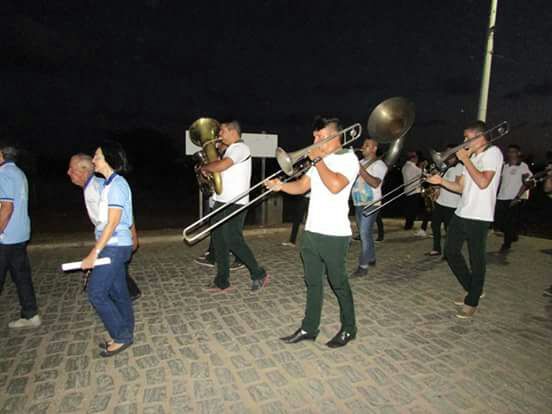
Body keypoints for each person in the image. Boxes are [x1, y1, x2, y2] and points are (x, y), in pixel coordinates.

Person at [266, 116, 359, 348]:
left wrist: (318, 161)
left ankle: (349, 328)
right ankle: (309, 327)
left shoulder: (349, 159)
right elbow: (302, 186)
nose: (314, 141)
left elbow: (335, 186)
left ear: (335, 136)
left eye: (320, 136)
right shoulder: (321, 161)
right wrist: (281, 186)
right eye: (314, 136)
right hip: (312, 231)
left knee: (338, 282)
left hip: (334, 234)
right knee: (312, 281)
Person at [427, 121, 503, 319]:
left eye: (467, 138)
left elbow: (483, 182)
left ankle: (472, 300)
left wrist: (465, 160)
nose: (464, 142)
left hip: (480, 215)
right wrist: (440, 181)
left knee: (476, 258)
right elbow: (460, 187)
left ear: (480, 137)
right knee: (450, 252)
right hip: (462, 211)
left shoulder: (493, 153)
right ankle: (473, 289)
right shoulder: (471, 157)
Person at [200, 121, 269, 292]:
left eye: (222, 131)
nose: (219, 134)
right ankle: (222, 281)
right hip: (221, 201)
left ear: (233, 132)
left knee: (233, 240)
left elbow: (223, 165)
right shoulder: (230, 149)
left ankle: (259, 273)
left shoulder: (240, 148)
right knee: (219, 241)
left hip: (235, 202)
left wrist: (206, 167)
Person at [81, 141, 135, 357]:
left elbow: (112, 223)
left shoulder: (117, 186)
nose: (93, 160)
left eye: (97, 156)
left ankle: (121, 336)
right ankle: (125, 332)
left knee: (96, 293)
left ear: (109, 160)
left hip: (114, 246)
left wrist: (94, 253)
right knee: (118, 291)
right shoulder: (108, 184)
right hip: (115, 245)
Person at [67, 153, 142, 301]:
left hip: (115, 242)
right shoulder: (92, 187)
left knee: (100, 289)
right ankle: (127, 298)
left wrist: (132, 236)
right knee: (117, 276)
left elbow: (119, 216)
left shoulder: (98, 188)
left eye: (72, 169)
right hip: (113, 241)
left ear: (84, 170)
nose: (68, 172)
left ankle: (125, 299)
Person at [0, 144, 41, 328]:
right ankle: (31, 314)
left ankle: (30, 314)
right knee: (22, 277)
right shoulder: (19, 173)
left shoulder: (3, 174)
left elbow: (7, 207)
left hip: (5, 236)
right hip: (20, 234)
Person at [350, 138, 388, 277]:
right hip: (358, 202)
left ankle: (363, 266)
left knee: (364, 234)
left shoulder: (379, 164)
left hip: (371, 203)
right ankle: (371, 257)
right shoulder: (360, 162)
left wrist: (359, 168)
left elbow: (375, 183)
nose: (363, 147)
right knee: (365, 233)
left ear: (374, 149)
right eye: (363, 144)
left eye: (367, 145)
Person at [426, 147, 463, 257]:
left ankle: (450, 252)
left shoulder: (459, 167)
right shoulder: (447, 167)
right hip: (440, 202)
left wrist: (441, 182)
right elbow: (443, 183)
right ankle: (437, 248)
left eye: (448, 153)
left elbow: (457, 185)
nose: (445, 155)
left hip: (451, 204)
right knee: (435, 226)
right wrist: (436, 188)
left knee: (449, 230)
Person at [495, 144, 532, 252]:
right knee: (499, 220)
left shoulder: (523, 166)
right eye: (509, 152)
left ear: (518, 153)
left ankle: (507, 244)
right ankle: (512, 234)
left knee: (509, 222)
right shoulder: (505, 166)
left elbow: (526, 183)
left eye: (513, 152)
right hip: (502, 197)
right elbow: (500, 181)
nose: (511, 154)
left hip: (514, 198)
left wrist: (518, 197)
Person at [401, 151, 427, 236]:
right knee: (413, 210)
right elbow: (424, 174)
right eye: (416, 158)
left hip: (407, 190)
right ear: (413, 158)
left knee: (409, 209)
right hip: (414, 191)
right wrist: (423, 166)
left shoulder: (405, 166)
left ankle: (408, 225)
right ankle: (409, 226)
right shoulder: (412, 167)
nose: (417, 159)